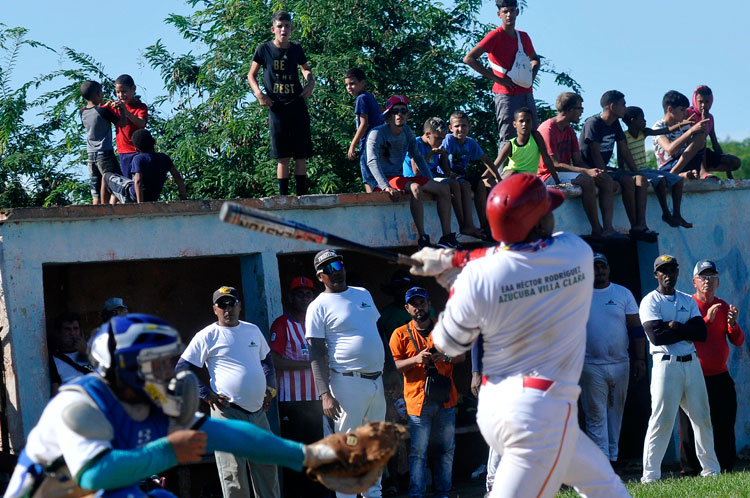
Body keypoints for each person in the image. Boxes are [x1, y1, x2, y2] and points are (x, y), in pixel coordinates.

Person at [409, 173, 630, 497]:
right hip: (539, 412)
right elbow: (517, 257)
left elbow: (446, 343)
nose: (552, 216)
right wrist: (457, 263)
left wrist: (452, 275)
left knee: (606, 488)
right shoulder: (577, 252)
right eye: (546, 212)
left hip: (505, 407)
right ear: (538, 224)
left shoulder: (477, 277)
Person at [5, 314, 342, 498]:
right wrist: (169, 450)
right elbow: (94, 474)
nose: (166, 369)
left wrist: (310, 456)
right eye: (156, 361)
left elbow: (232, 435)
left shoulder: (150, 401)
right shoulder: (78, 405)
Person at [178, 286, 280, 498]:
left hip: (258, 413)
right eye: (222, 305)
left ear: (239, 305)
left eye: (231, 303)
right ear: (214, 309)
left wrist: (269, 389)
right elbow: (181, 368)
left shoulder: (252, 330)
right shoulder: (207, 335)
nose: (228, 309)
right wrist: (205, 394)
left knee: (267, 469)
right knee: (233, 476)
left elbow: (267, 360)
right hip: (228, 413)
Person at [306, 249, 387, 498]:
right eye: (329, 269)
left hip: (376, 380)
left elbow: (378, 332)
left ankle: (374, 494)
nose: (336, 271)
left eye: (338, 265)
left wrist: (391, 372)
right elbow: (316, 353)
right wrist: (324, 394)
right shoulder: (317, 306)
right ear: (321, 276)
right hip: (347, 382)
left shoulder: (363, 294)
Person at [639, 255, 720, 483]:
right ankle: (650, 476)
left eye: (672, 270)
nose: (668, 275)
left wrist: (675, 326)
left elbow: (701, 333)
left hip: (691, 363)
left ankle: (711, 470)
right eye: (663, 271)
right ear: (656, 274)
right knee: (662, 421)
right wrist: (684, 329)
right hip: (666, 364)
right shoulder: (650, 301)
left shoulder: (687, 299)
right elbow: (656, 336)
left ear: (677, 273)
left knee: (702, 418)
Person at [389, 287, 464, 498]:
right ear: (407, 308)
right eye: (414, 304)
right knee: (418, 454)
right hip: (417, 403)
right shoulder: (399, 333)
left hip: (445, 401)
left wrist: (445, 357)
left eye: (422, 302)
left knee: (445, 451)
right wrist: (415, 359)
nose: (418, 307)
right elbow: (392, 365)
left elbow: (462, 357)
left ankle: (443, 493)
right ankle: (417, 495)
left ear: (429, 305)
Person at [580, 253, 646, 465]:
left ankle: (613, 460)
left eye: (602, 267)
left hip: (621, 364)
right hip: (591, 365)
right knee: (595, 415)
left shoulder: (622, 293)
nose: (599, 271)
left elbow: (636, 329)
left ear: (609, 269)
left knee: (615, 413)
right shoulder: (579, 295)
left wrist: (640, 359)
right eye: (595, 267)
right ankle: (602, 463)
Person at [679, 260, 744, 474]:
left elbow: (738, 340)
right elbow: (685, 335)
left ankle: (726, 466)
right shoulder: (687, 305)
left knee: (724, 420)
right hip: (693, 375)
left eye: (711, 277)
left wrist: (732, 324)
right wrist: (706, 320)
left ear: (717, 281)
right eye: (703, 277)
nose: (707, 281)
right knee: (691, 424)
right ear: (694, 281)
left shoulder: (724, 305)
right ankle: (690, 470)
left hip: (720, 375)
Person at [366, 96, 456, 249]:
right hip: (383, 180)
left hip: (399, 177)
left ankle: (446, 237)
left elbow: (418, 157)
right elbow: (371, 161)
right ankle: (423, 238)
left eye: (403, 110)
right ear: (389, 115)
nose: (399, 114)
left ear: (408, 114)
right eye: (395, 111)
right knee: (415, 188)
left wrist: (430, 179)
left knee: (443, 188)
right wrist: (386, 186)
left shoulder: (407, 131)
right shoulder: (377, 133)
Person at [269, 276, 329, 497]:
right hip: (293, 403)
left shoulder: (317, 323)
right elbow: (274, 360)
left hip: (318, 400)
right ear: (289, 298)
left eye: (308, 294)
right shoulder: (282, 324)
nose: (304, 298)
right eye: (299, 294)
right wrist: (310, 364)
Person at [248, 10, 315, 196]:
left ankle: (302, 195)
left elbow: (306, 69)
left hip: (297, 104)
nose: (283, 29)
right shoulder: (264, 49)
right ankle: (283, 198)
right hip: (277, 107)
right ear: (273, 29)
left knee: (301, 154)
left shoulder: (296, 49)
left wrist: (311, 82)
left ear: (291, 28)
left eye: (286, 26)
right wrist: (259, 94)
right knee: (282, 156)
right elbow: (251, 75)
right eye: (280, 26)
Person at [537, 92, 620, 239]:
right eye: (579, 108)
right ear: (569, 110)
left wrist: (595, 172)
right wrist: (587, 173)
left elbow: (578, 161)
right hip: (547, 175)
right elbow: (555, 164)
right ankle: (596, 229)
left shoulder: (569, 130)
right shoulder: (547, 129)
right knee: (586, 181)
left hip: (564, 172)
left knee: (605, 180)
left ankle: (608, 228)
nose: (581, 112)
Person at [463, 0, 539, 155]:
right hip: (505, 94)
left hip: (526, 92)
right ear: (499, 14)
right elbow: (469, 58)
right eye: (505, 11)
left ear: (517, 12)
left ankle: (531, 174)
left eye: (512, 11)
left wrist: (530, 75)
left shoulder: (523, 37)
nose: (509, 15)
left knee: (532, 134)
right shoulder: (494, 36)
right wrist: (498, 79)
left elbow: (535, 59)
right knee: (508, 136)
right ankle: (503, 176)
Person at [580, 90, 656, 241]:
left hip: (606, 168)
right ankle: (607, 229)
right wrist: (605, 175)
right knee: (609, 183)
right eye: (623, 105)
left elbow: (623, 149)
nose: (625, 108)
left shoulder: (615, 124)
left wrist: (636, 172)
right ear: (613, 106)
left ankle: (638, 226)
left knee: (638, 180)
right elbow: (595, 153)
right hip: (590, 169)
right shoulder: (593, 123)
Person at [621, 106, 693, 229]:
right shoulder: (623, 137)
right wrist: (627, 174)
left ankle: (677, 214)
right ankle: (666, 213)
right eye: (642, 119)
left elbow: (666, 130)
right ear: (633, 120)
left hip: (646, 169)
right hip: (635, 172)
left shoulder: (644, 132)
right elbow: (621, 156)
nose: (645, 121)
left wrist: (681, 125)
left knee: (678, 180)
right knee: (660, 180)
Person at [403, 117, 463, 248]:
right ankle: (442, 235)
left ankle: (450, 233)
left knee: (454, 183)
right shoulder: (416, 144)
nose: (441, 141)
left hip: (429, 179)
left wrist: (444, 159)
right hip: (413, 178)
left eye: (442, 138)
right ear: (427, 134)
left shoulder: (434, 145)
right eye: (438, 138)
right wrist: (430, 154)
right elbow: (416, 171)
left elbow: (440, 169)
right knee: (444, 188)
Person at [441, 111, 500, 240]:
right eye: (456, 126)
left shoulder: (470, 143)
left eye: (463, 126)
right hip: (448, 176)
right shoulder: (449, 139)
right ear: (451, 128)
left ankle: (485, 225)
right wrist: (447, 172)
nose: (460, 129)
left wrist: (498, 177)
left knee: (480, 183)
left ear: (469, 127)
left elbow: (486, 159)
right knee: (466, 185)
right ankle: (469, 225)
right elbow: (443, 157)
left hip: (461, 176)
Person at [104, 129, 187, 203]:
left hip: (133, 197)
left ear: (136, 149)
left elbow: (138, 181)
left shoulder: (138, 159)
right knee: (119, 186)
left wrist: (140, 205)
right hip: (152, 197)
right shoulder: (164, 158)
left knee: (105, 177)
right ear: (153, 142)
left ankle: (103, 208)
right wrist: (184, 198)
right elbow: (178, 177)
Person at [79, 80, 121, 205]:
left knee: (96, 191)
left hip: (91, 155)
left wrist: (103, 106)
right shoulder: (104, 111)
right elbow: (121, 123)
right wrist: (121, 110)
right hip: (105, 153)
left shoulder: (82, 112)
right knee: (116, 185)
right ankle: (111, 211)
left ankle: (97, 215)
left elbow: (96, 113)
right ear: (98, 94)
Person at [652, 90, 710, 179]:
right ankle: (675, 173)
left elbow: (693, 147)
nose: (685, 113)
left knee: (700, 137)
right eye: (682, 110)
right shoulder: (658, 127)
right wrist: (690, 131)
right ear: (670, 109)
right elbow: (670, 149)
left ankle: (682, 174)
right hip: (668, 166)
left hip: (684, 162)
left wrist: (699, 130)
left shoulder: (684, 125)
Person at [686, 86, 741, 179]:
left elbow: (714, 142)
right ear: (695, 100)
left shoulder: (710, 118)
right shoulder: (687, 113)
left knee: (735, 162)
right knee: (701, 140)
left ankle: (703, 169)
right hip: (687, 153)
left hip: (703, 155)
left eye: (706, 102)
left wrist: (728, 168)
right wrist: (702, 121)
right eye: (700, 102)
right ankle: (702, 172)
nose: (703, 105)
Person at [345, 68, 383, 193]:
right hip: (378, 143)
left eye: (352, 83)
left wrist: (352, 145)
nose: (349, 87)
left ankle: (373, 210)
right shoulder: (369, 97)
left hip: (367, 144)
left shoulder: (361, 98)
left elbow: (363, 124)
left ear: (363, 83)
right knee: (378, 178)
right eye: (347, 84)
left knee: (369, 180)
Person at [496, 107, 558, 182]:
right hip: (510, 178)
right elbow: (495, 165)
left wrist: (557, 181)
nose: (524, 124)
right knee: (513, 173)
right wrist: (485, 178)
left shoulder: (536, 137)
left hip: (527, 180)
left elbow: (546, 159)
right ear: (515, 124)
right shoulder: (510, 145)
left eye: (528, 121)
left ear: (532, 123)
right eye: (521, 121)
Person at [107, 74, 148, 180]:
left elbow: (141, 123)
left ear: (133, 89)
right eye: (118, 92)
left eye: (124, 91)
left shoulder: (140, 107)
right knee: (127, 181)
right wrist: (107, 106)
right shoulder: (116, 108)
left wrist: (126, 112)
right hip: (123, 151)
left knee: (139, 180)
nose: (121, 95)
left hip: (138, 151)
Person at [48, 312, 93, 396]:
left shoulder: (92, 353)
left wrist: (87, 353)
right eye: (67, 329)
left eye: (75, 329)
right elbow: (55, 391)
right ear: (59, 333)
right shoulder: (53, 359)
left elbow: (100, 375)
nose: (72, 333)